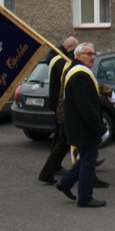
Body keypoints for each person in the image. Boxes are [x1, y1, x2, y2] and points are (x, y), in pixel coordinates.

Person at [54, 43, 109, 208]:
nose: (93, 57)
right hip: (82, 127)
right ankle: (85, 197)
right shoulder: (79, 74)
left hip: (79, 125)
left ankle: (65, 183)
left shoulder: (78, 71)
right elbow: (85, 106)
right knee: (89, 159)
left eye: (94, 53)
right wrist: (101, 128)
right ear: (78, 55)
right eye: (88, 54)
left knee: (86, 157)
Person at [38, 37, 79, 184]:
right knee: (63, 141)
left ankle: (54, 167)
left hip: (59, 105)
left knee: (61, 139)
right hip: (61, 106)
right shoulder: (60, 61)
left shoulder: (57, 58)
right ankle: (49, 170)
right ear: (68, 47)